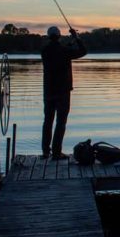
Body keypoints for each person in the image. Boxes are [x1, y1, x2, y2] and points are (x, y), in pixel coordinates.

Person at [41, 26, 87, 160]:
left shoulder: (44, 50)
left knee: (48, 121)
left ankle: (45, 152)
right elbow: (83, 51)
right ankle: (56, 152)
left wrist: (71, 42)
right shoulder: (64, 51)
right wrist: (76, 38)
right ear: (59, 36)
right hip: (63, 91)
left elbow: (59, 49)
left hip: (48, 91)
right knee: (61, 123)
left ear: (49, 36)